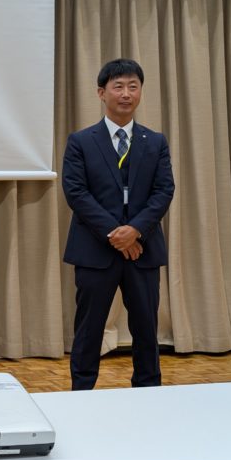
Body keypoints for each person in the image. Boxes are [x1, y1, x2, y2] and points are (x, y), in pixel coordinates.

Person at [62, 58, 174, 391]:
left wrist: (135, 230)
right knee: (89, 329)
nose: (126, 93)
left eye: (133, 86)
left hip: (143, 250)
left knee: (146, 328)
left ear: (140, 92)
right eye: (118, 86)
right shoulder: (81, 141)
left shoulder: (155, 142)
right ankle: (81, 394)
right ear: (102, 93)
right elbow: (76, 192)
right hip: (94, 250)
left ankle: (148, 392)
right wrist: (116, 234)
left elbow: (164, 191)